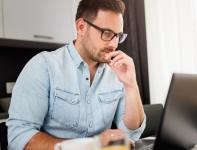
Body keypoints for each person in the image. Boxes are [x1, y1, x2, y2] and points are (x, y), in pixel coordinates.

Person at [7, 0, 146, 149]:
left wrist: (131, 85)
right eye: (107, 33)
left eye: (118, 36)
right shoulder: (44, 66)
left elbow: (131, 135)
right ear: (81, 27)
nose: (114, 44)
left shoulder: (117, 71)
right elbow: (19, 138)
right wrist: (90, 146)